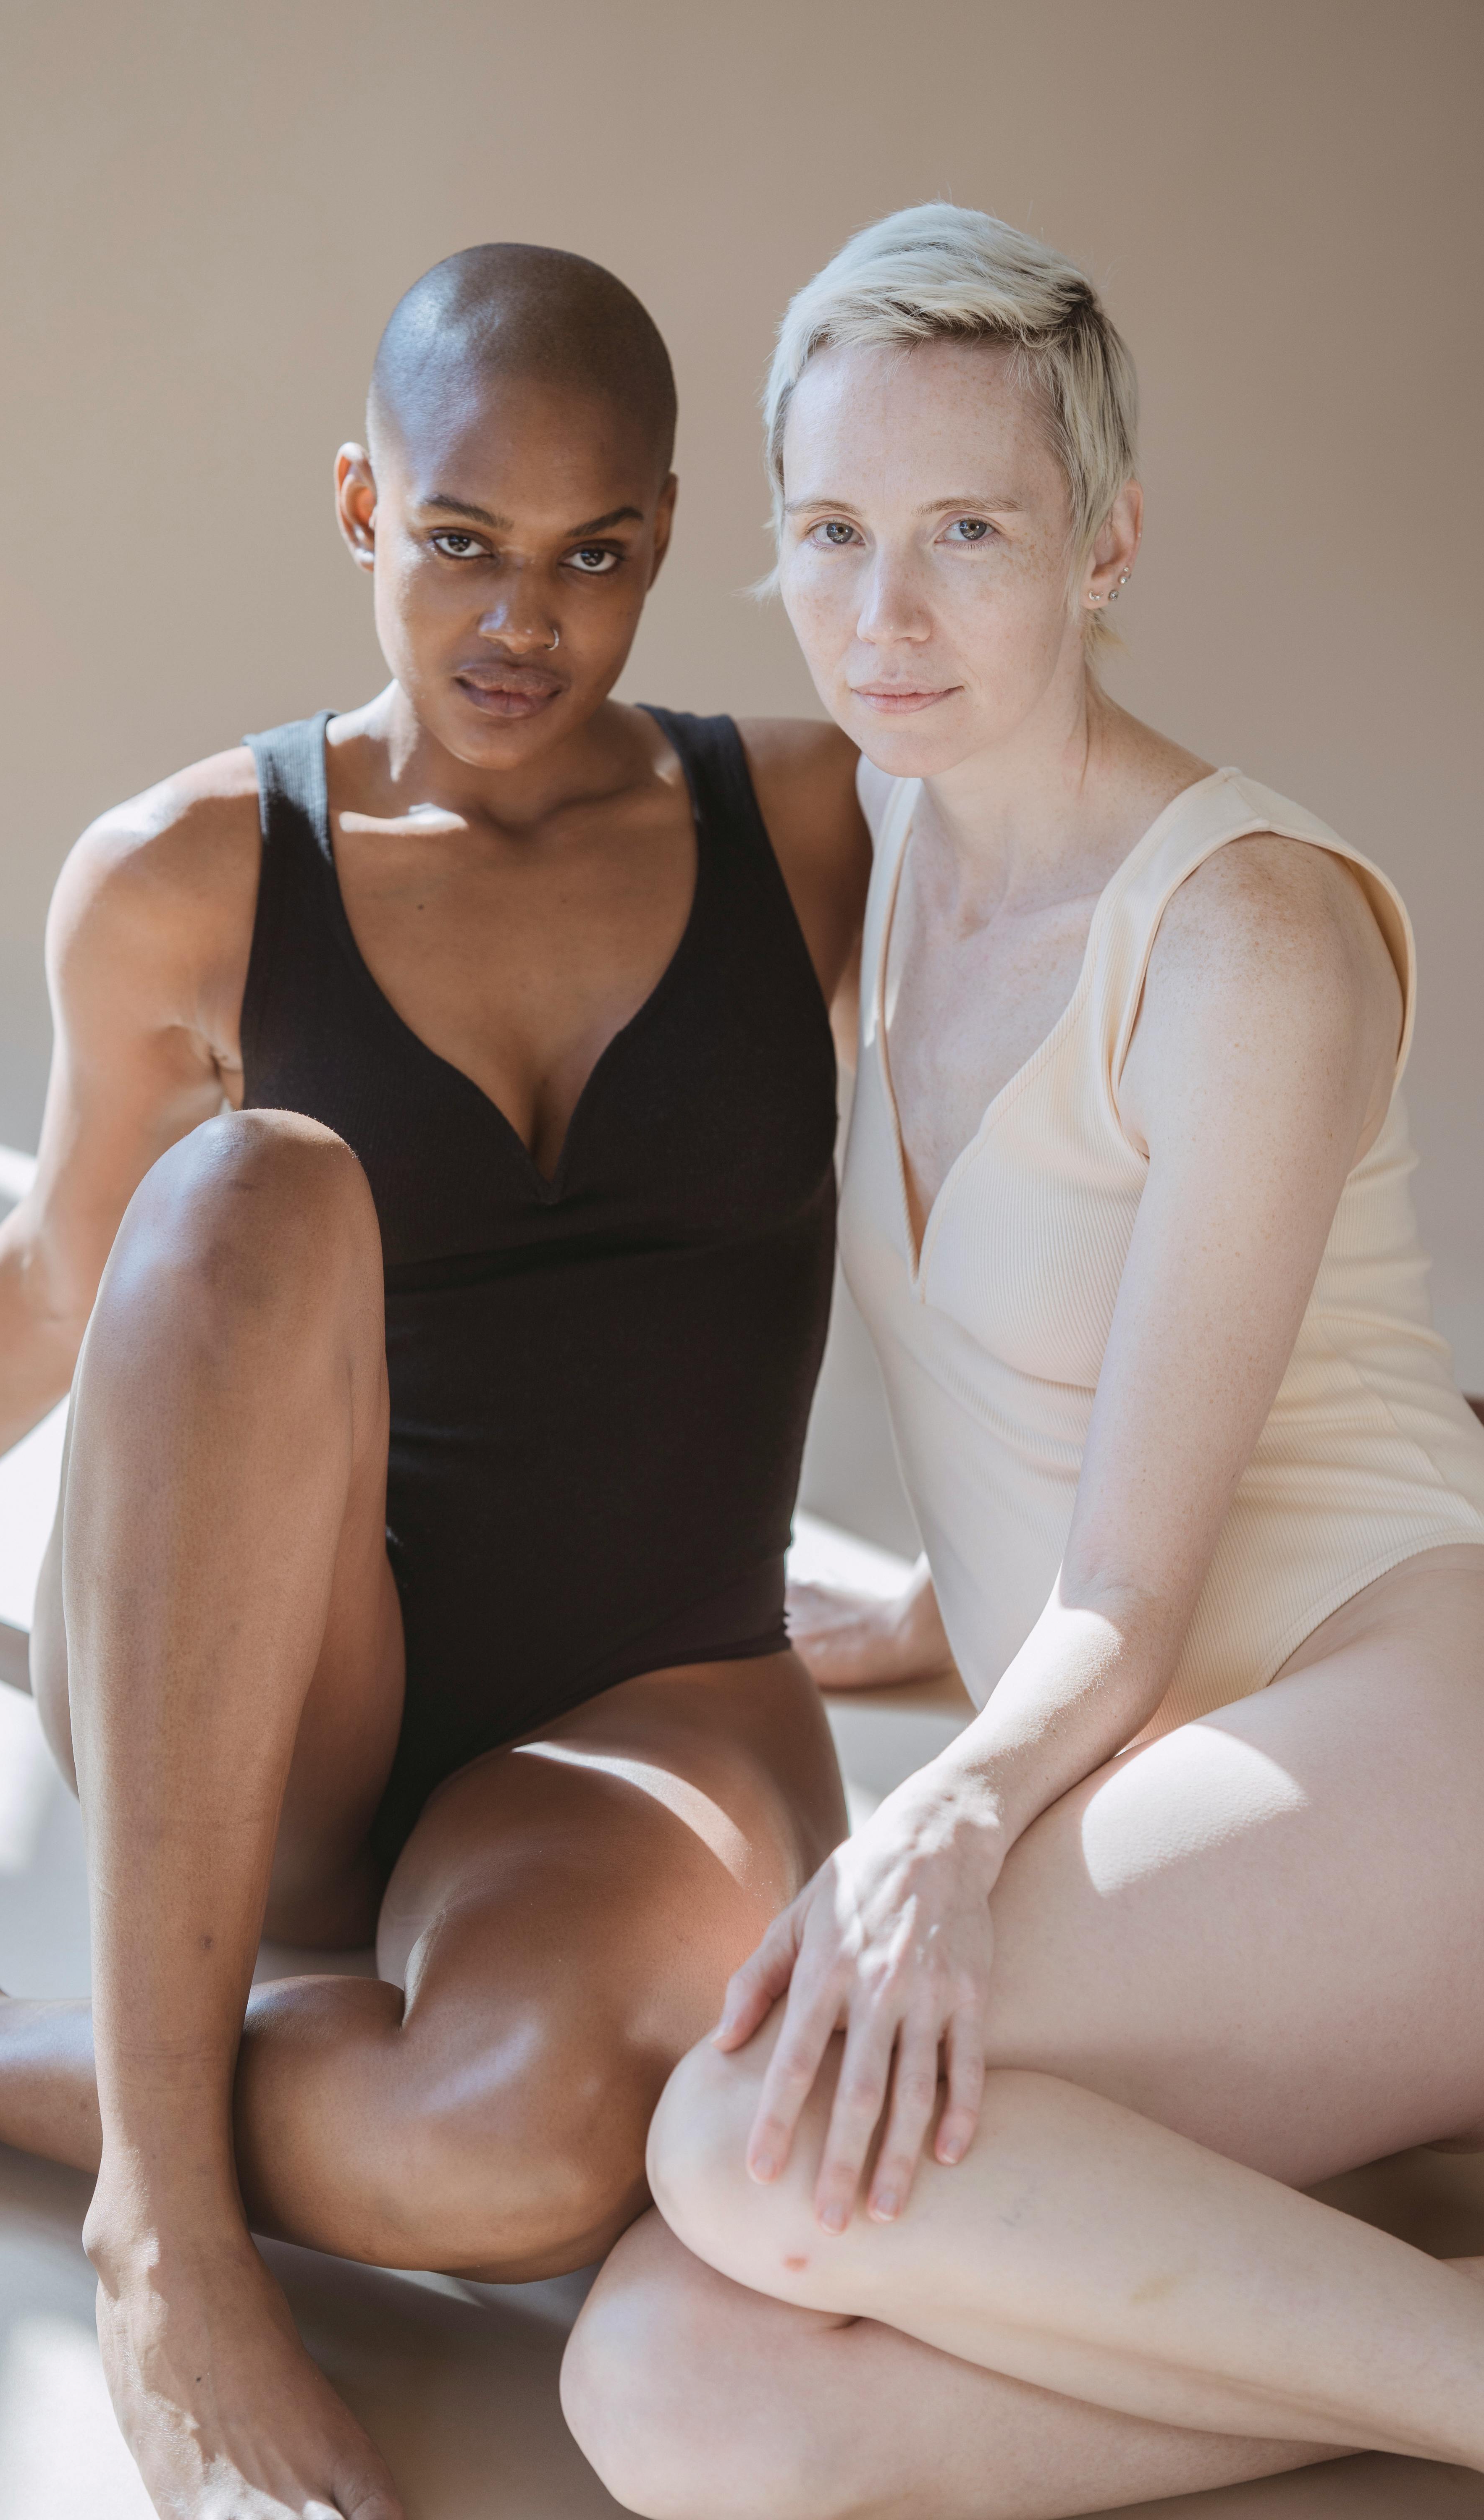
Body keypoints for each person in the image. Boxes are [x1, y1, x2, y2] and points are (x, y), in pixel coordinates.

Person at [0, 244, 869, 2520]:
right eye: (462, 543)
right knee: (248, 1194)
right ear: (362, 507)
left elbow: (1038, 1210)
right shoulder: (191, 873)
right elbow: (63, 1267)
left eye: (593, 556)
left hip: (647, 1715)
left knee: (535, 2169)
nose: (523, 624)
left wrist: (1049, 1604)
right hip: (275, 1693)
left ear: (671, 531)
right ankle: (164, 2242)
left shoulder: (815, 827)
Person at [563, 205, 1484, 2517]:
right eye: (837, 533)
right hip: (1144, 1763)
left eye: (969, 529)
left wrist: (954, 1810)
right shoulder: (883, 829)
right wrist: (924, 1620)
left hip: (1404, 1730)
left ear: (1109, 542)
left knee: (730, 2140)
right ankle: (1371, 2274)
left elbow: (1141, 1591)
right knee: (684, 2400)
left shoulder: (1246, 935)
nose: (890, 614)